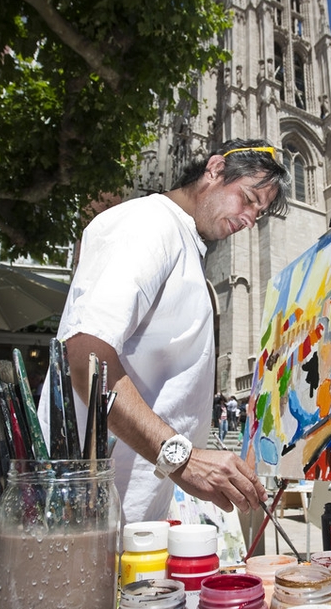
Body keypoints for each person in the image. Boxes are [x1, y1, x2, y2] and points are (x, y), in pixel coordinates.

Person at [38, 140, 290, 523]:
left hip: (124, 517)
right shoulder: (148, 223)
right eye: (249, 198)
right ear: (215, 169)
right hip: (78, 515)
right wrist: (183, 459)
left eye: (260, 211)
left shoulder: (184, 241)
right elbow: (85, 353)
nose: (251, 218)